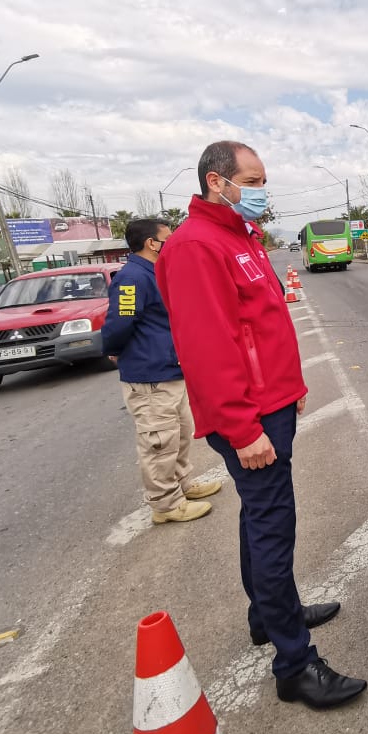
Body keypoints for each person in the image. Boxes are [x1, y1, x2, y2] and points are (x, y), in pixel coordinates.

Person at [157, 141, 366, 710]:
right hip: (247, 416)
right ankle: (295, 664)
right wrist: (242, 426)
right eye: (252, 180)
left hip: (268, 404)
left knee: (261, 516)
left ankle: (267, 616)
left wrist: (287, 391)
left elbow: (260, 322)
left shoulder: (238, 237)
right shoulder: (197, 246)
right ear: (215, 181)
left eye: (263, 179)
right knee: (274, 525)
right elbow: (207, 348)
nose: (262, 190)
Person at [101, 218, 222, 524]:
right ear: (151, 244)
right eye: (167, 238)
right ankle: (165, 505)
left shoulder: (155, 271)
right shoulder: (132, 277)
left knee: (178, 436)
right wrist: (114, 349)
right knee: (159, 443)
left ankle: (182, 486)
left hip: (169, 369)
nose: (172, 242)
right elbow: (120, 322)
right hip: (149, 375)